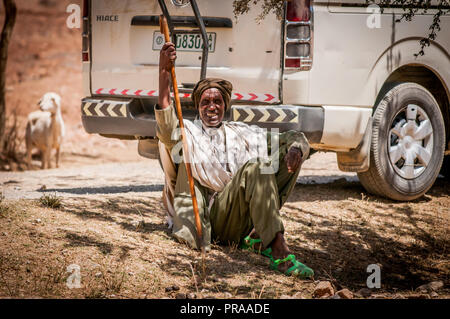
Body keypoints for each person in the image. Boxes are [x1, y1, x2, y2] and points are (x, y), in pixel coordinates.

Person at [156, 42, 314, 278]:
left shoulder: (240, 132)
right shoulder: (187, 134)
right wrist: (164, 73)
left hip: (240, 218)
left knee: (285, 154)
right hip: (212, 220)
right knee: (257, 167)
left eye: (217, 101)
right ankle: (280, 254)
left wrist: (296, 148)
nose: (212, 107)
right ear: (198, 107)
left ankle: (258, 236)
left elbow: (291, 137)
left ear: (225, 105)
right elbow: (166, 125)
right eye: (205, 102)